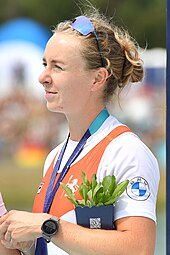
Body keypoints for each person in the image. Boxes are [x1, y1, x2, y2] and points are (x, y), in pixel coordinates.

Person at [0, 8, 160, 255]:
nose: (42, 77)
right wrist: (9, 237)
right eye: (45, 64)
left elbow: (139, 249)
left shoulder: (126, 151)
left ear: (98, 78)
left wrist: (46, 225)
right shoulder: (54, 157)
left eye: (58, 67)